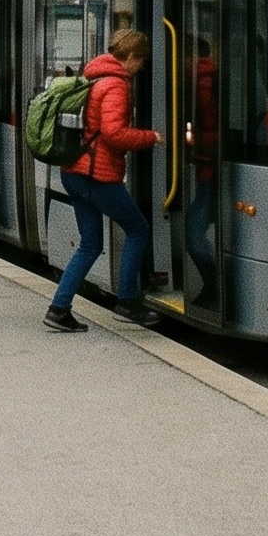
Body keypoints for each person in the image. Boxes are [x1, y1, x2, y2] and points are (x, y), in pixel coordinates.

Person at [46, 29, 161, 333]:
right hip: (97, 174)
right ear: (132, 57)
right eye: (141, 61)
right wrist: (151, 137)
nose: (141, 67)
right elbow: (113, 133)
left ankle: (58, 309)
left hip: (74, 171)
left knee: (90, 244)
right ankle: (127, 301)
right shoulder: (116, 85)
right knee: (138, 229)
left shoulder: (93, 76)